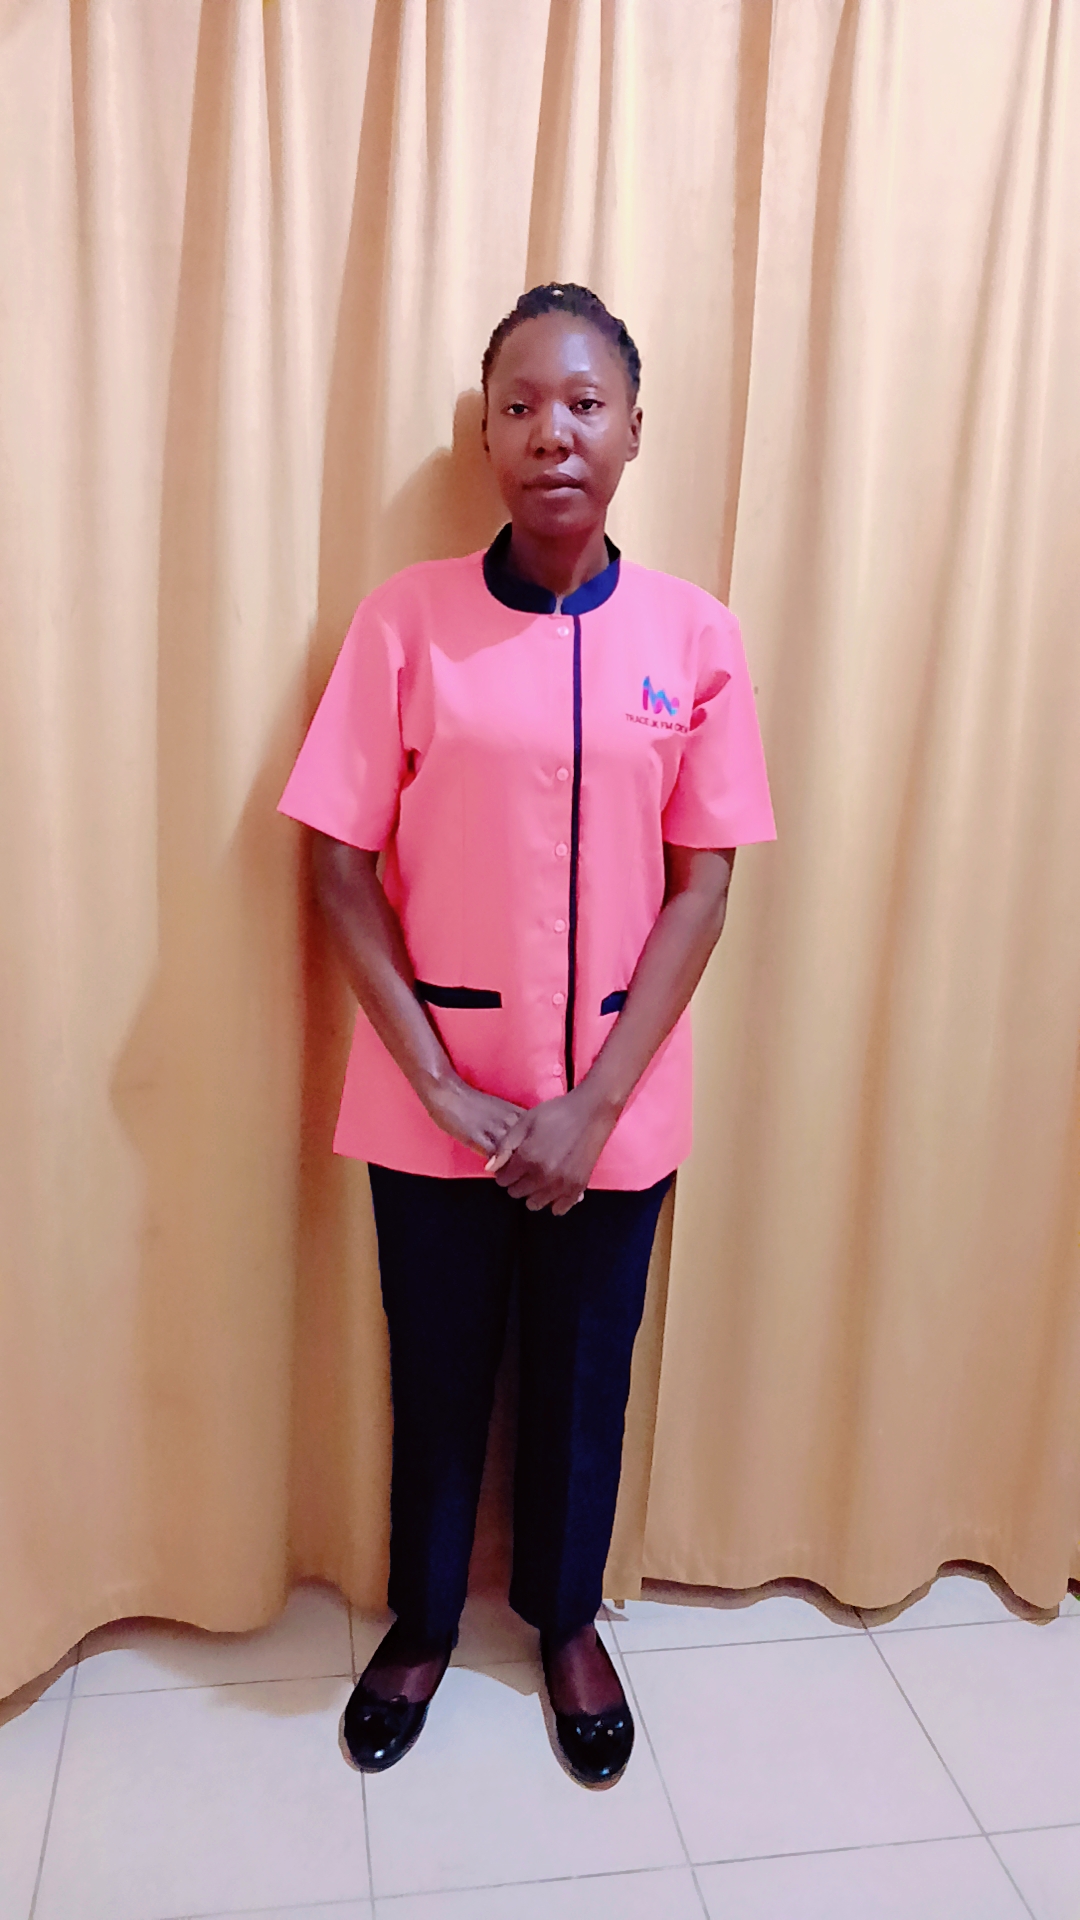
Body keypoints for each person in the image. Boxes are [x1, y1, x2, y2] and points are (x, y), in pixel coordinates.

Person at [278, 283, 775, 1786]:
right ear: (486, 437)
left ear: (632, 429)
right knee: (436, 1373)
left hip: (614, 1105)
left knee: (581, 1379)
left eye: (583, 403)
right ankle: (423, 1624)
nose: (552, 432)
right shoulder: (405, 624)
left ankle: (565, 1624)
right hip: (433, 1101)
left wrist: (592, 1107)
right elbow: (337, 865)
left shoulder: (694, 637)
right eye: (519, 406)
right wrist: (441, 1087)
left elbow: (704, 888)